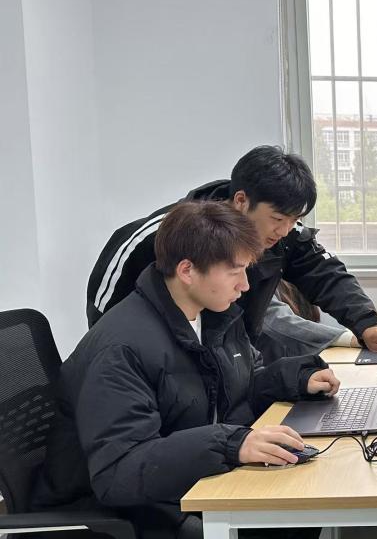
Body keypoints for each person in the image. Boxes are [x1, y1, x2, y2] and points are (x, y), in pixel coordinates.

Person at [34, 201, 340, 538]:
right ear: (187, 271)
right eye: (235, 272)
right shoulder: (121, 348)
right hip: (128, 514)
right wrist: (229, 444)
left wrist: (295, 378)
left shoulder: (214, 315)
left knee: (302, 505)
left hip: (180, 486)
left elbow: (239, 386)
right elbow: (118, 473)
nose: (245, 285)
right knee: (290, 518)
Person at [86, 145, 377, 359]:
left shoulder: (284, 234)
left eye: (295, 220)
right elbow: (108, 323)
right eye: (278, 219)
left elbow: (325, 273)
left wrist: (366, 322)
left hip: (231, 369)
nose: (285, 230)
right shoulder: (161, 237)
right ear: (240, 201)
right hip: (161, 371)